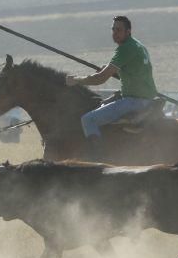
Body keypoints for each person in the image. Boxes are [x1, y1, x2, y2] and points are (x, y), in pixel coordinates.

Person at [66, 15, 158, 157]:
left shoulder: (125, 49)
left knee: (88, 119)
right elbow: (132, 72)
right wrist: (111, 70)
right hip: (146, 99)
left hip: (134, 101)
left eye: (119, 30)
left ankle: (97, 159)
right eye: (113, 29)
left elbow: (99, 79)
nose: (115, 33)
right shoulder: (138, 45)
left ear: (128, 31)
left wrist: (77, 80)